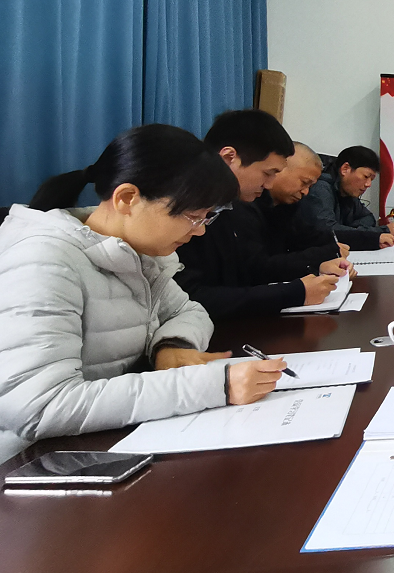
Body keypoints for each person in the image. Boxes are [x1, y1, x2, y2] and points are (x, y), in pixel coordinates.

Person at [0, 125, 286, 462]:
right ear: (127, 199)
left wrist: (172, 346)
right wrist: (214, 386)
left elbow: (189, 311)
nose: (199, 232)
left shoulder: (136, 254)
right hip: (27, 464)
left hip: (103, 443)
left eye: (206, 218)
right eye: (193, 217)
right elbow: (41, 407)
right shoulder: (44, 261)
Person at [176, 110, 339, 319]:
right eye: (268, 173)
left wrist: (314, 268)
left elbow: (251, 270)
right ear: (229, 158)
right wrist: (294, 293)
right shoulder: (181, 210)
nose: (269, 184)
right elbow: (190, 298)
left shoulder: (231, 207)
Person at [230, 142, 353, 285]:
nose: (306, 192)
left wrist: (325, 258)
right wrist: (324, 255)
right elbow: (259, 268)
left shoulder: (286, 206)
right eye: (304, 182)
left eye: (310, 186)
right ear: (279, 170)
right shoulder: (244, 204)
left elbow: (307, 238)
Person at [298, 145, 394, 250]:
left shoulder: (347, 191)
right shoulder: (320, 188)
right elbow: (327, 231)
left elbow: (368, 218)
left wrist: (351, 231)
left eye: (371, 180)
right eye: (366, 177)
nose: (368, 184)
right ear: (345, 169)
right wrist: (379, 232)